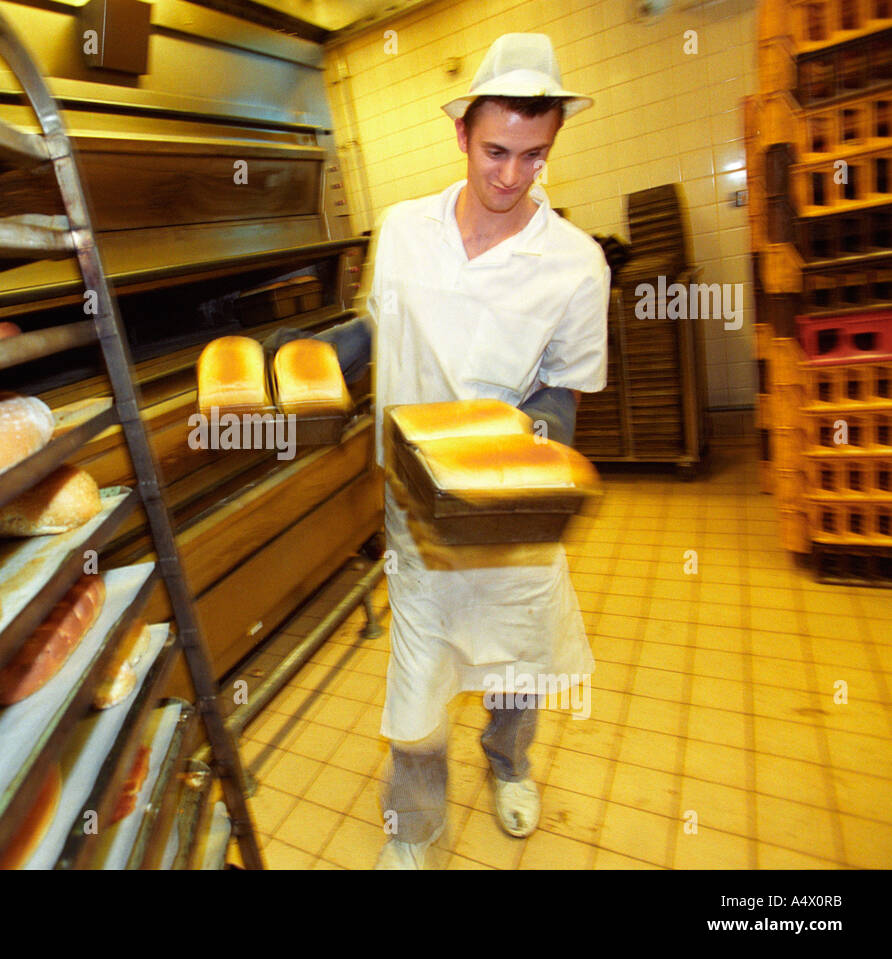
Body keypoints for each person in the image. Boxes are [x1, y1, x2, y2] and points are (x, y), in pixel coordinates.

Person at [365, 33, 610, 869]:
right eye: (497, 150)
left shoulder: (574, 264)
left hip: (507, 496)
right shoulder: (401, 231)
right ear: (462, 133)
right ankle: (419, 826)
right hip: (410, 501)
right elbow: (381, 334)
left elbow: (562, 394)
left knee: (518, 650)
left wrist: (514, 475)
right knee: (420, 669)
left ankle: (508, 762)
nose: (511, 176)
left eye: (533, 157)